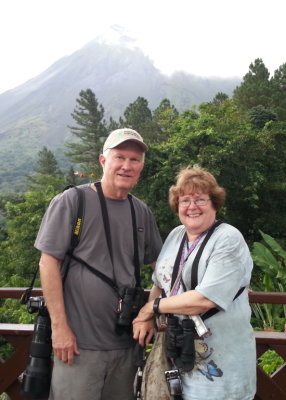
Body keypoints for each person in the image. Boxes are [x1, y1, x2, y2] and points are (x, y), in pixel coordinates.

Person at [34, 128, 162, 400]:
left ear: (141, 166)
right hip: (77, 346)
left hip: (126, 345)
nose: (127, 166)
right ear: (103, 161)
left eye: (135, 160)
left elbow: (162, 270)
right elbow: (48, 263)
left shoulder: (141, 211)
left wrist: (150, 311)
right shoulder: (73, 201)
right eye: (119, 157)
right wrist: (60, 328)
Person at [133, 165, 256, 400]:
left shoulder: (228, 239)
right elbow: (160, 283)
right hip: (178, 356)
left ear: (214, 203)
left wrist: (152, 307)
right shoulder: (175, 235)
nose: (192, 207)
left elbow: (204, 299)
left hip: (222, 370)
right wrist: (148, 317)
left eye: (200, 199)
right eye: (184, 200)